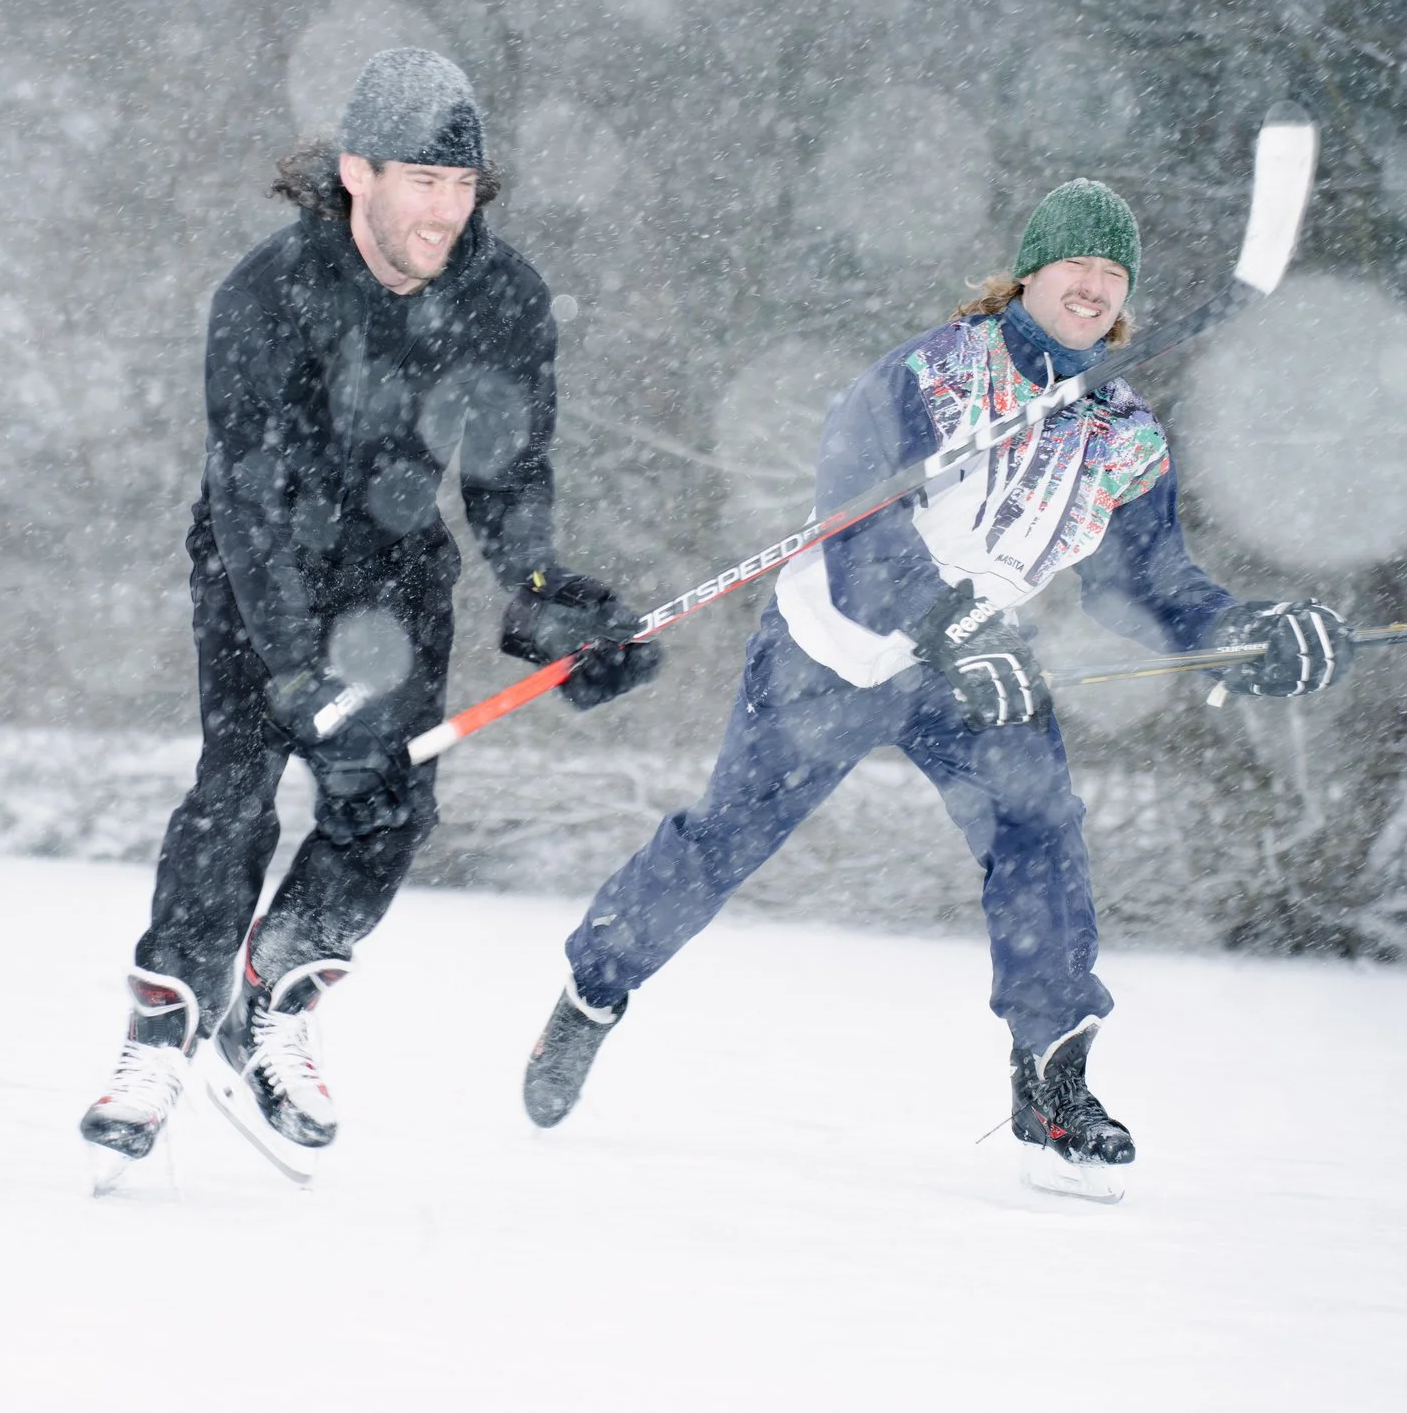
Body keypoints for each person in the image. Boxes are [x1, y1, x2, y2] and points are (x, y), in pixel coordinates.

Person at [518, 180, 1352, 1200]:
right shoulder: (935, 373)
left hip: (977, 665)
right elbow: (856, 519)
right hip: (841, 645)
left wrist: (1241, 630)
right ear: (1029, 272)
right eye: (1073, 262)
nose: (1092, 282)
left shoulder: (1123, 433)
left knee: (1040, 828)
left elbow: (1147, 585)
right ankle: (593, 987)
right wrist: (940, 616)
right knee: (727, 837)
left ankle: (1052, 1078)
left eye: (1111, 268)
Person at [79, 48, 663, 1187]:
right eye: (422, 182)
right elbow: (248, 489)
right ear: (356, 172)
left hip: (396, 572)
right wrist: (295, 672)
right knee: (237, 785)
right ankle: (164, 1027)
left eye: (464, 187)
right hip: (261, 562)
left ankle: (274, 1002)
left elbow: (507, 471)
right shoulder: (266, 293)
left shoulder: (504, 296)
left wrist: (544, 596)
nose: (446, 211)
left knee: (387, 800)